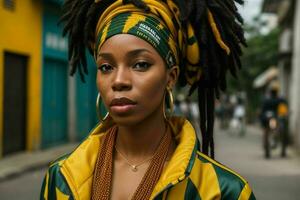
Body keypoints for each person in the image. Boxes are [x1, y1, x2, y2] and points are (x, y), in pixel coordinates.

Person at [40, 0, 255, 199]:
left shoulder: (223, 192)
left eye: (140, 64)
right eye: (106, 67)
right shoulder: (61, 179)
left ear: (170, 77)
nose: (119, 81)